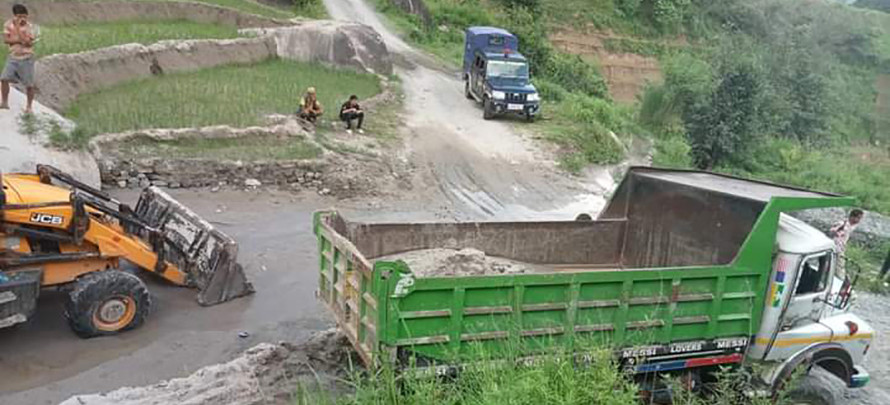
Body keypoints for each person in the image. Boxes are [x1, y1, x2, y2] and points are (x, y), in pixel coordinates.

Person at [1, 4, 36, 114]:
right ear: (15, 16)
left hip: (26, 58)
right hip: (13, 57)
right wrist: (19, 39)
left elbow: (28, 43)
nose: (23, 19)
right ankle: (4, 102)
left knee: (29, 84)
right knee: (3, 79)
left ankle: (29, 107)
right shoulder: (7, 24)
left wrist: (16, 30)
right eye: (20, 16)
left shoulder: (30, 26)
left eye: (24, 16)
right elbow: (6, 40)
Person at [829, 209, 864, 279]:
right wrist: (837, 234)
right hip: (835, 248)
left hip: (841, 248)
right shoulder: (842, 223)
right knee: (839, 267)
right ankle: (841, 281)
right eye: (859, 218)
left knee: (834, 266)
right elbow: (831, 231)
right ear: (853, 217)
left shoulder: (851, 226)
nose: (859, 221)